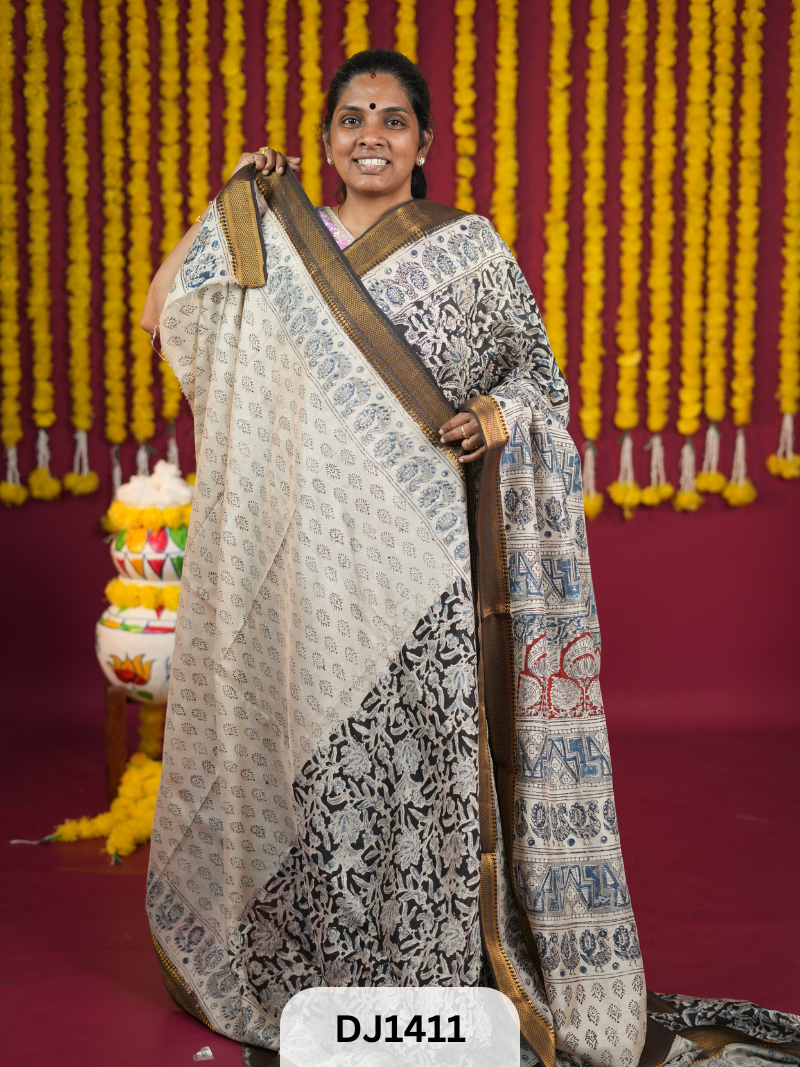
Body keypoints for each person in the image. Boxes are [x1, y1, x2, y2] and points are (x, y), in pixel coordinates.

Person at [142, 49, 800, 1067]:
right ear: (323, 140)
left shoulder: (470, 251)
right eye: (351, 117)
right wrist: (228, 193)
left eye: (392, 119)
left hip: (424, 569)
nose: (370, 134)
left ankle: (436, 978)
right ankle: (327, 976)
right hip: (305, 573)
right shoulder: (276, 241)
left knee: (425, 768)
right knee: (318, 771)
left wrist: (498, 410)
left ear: (422, 143)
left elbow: (541, 379)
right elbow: (166, 319)